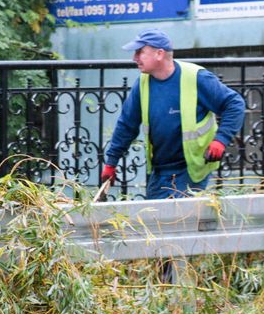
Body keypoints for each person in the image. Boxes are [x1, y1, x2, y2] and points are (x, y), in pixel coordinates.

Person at [101, 29, 245, 200]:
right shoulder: (142, 83)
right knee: (155, 219)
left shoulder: (196, 77)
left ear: (159, 54)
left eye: (140, 52)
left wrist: (221, 139)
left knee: (175, 219)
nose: (135, 58)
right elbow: (127, 124)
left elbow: (235, 104)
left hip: (191, 168)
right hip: (160, 169)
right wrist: (111, 162)